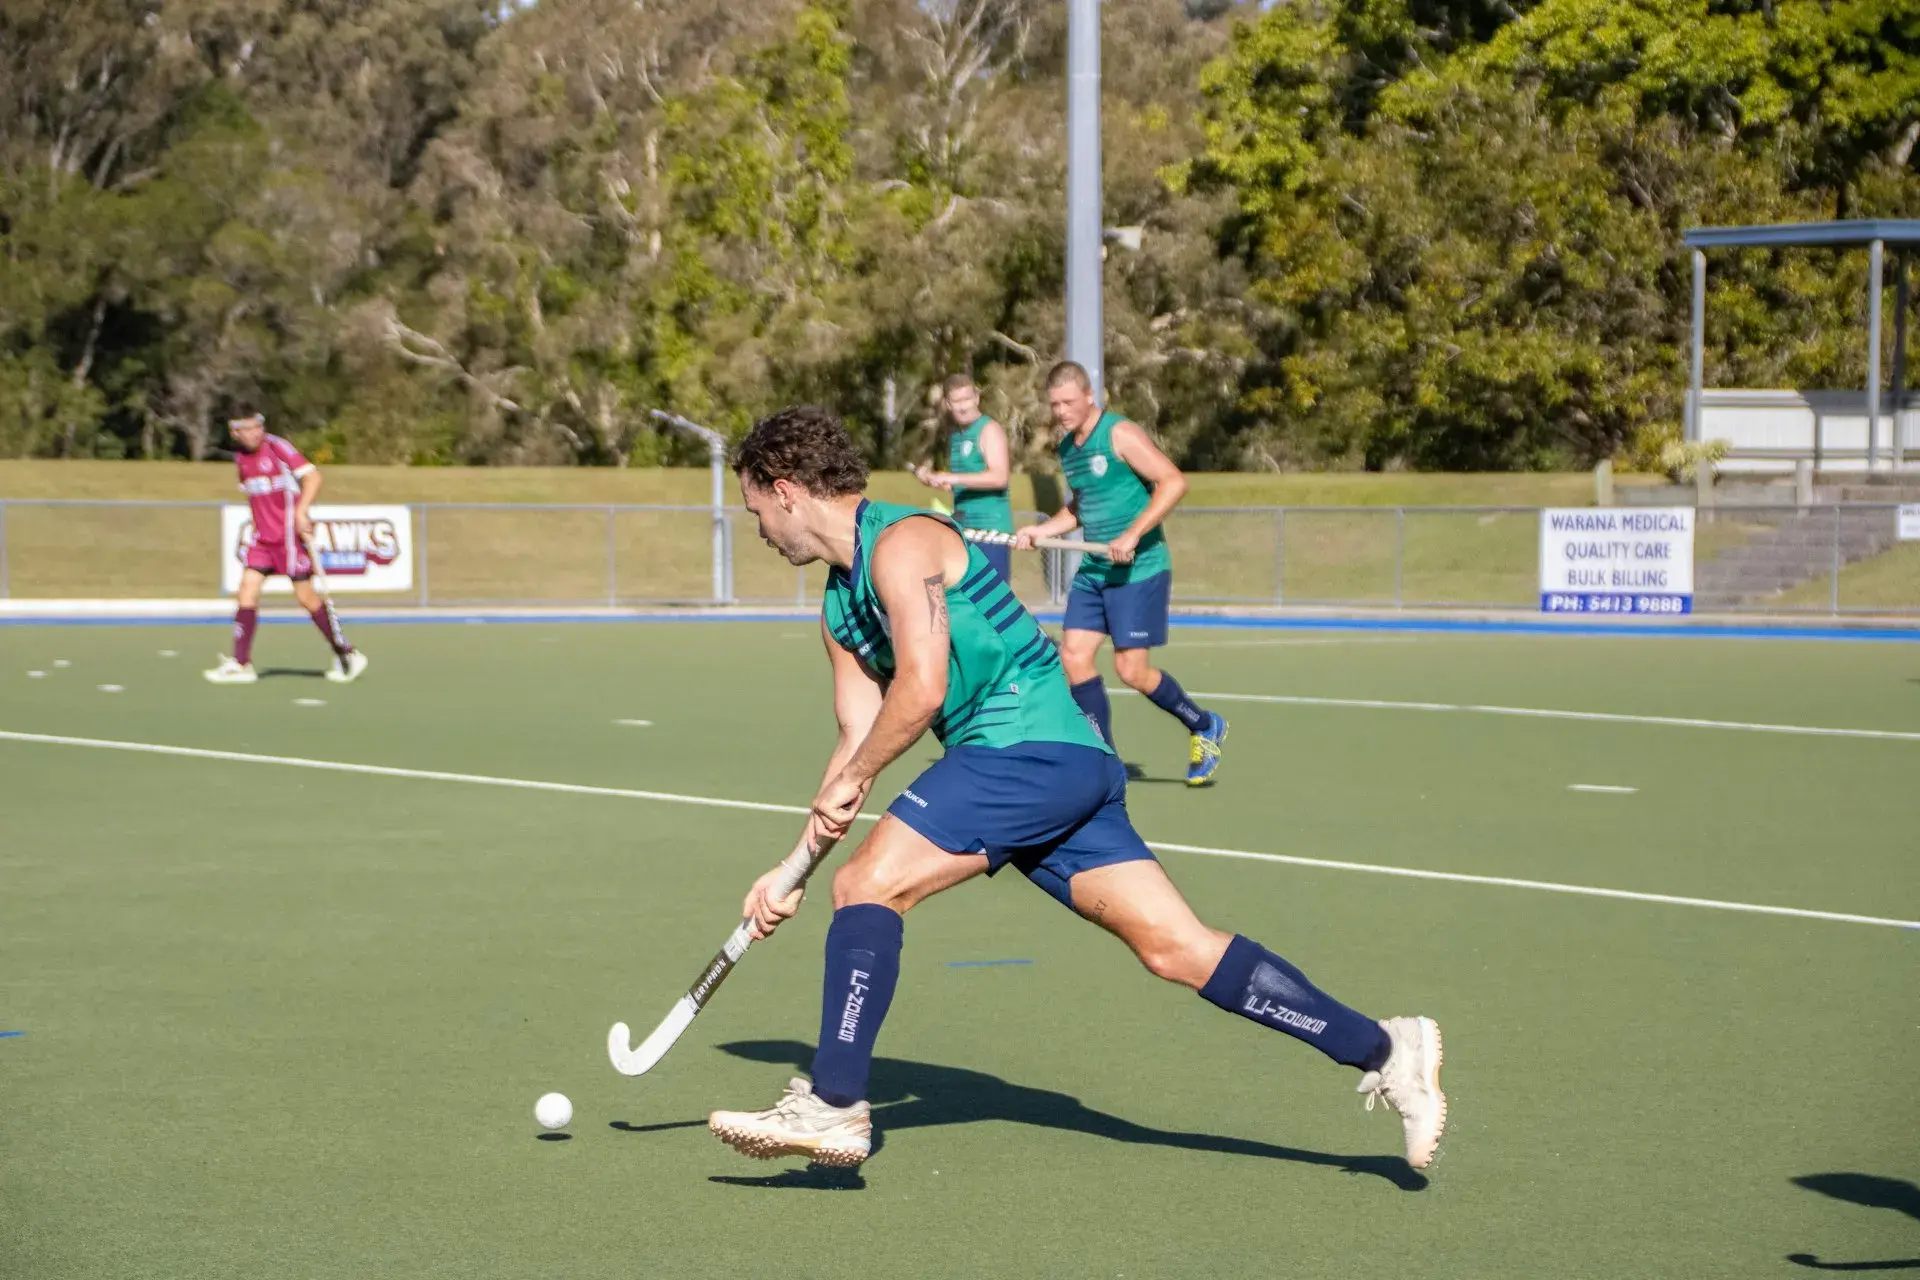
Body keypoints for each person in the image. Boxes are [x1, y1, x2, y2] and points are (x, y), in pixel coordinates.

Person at [705, 405, 1446, 1172]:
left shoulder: (904, 542)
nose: (759, 529)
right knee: (1177, 950)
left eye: (756, 509)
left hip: (1025, 748)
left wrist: (856, 790)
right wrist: (791, 869)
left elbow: (921, 691)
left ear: (786, 490)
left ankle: (832, 1104)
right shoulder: (837, 607)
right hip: (1051, 769)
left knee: (869, 887)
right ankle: (1388, 1049)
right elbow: (856, 740)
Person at [1015, 362, 1226, 786]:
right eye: (1054, 404)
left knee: (1132, 671)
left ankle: (1203, 724)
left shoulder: (1119, 434)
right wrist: (1043, 530)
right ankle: (1104, 760)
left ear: (1089, 396)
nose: (1061, 411)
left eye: (1068, 402)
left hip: (1139, 569)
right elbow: (1080, 505)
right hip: (1095, 571)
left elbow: (1172, 482)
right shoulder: (1069, 449)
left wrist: (1132, 534)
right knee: (1073, 656)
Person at [204, 411, 368, 685]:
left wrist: (302, 512)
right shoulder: (241, 459)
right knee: (247, 589)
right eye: (248, 429)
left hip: (289, 538)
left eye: (258, 427)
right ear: (235, 432)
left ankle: (347, 653)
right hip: (262, 540)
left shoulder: (278, 448)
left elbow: (313, 477)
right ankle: (241, 663)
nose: (255, 433)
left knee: (306, 597)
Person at [912, 373, 1014, 584]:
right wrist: (935, 480)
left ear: (977, 398)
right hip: (963, 530)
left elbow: (999, 477)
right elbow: (966, 484)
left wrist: (953, 477)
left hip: (991, 531)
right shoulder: (956, 436)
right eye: (957, 401)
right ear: (947, 404)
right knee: (965, 603)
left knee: (993, 603)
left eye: (967, 399)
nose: (963, 406)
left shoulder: (989, 429)